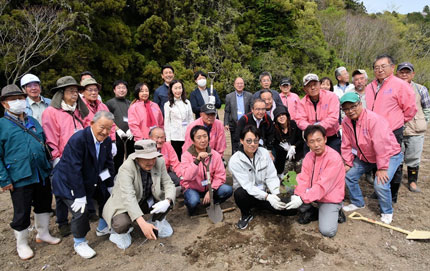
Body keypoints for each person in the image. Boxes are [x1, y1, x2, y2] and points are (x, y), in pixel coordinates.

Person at [0, 84, 60, 260]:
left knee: (44, 204)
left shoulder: (32, 121)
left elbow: (42, 142)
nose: (18, 102)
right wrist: (4, 179)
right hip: (19, 175)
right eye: (13, 100)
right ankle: (22, 243)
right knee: (22, 210)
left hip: (40, 171)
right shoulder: (2, 125)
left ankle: (43, 233)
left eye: (20, 98)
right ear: (4, 104)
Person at [51, 111, 115, 259]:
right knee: (81, 210)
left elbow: (107, 164)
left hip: (92, 177)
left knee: (106, 197)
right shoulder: (78, 139)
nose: (105, 132)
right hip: (68, 180)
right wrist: (80, 195)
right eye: (102, 127)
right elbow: (73, 170)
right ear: (92, 124)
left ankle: (103, 226)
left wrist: (109, 183)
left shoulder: (105, 140)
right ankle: (79, 242)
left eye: (109, 128)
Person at [340, 92, 403, 224]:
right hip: (367, 155)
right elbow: (345, 144)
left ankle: (387, 211)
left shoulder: (373, 120)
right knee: (349, 175)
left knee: (380, 183)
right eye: (346, 109)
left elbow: (382, 146)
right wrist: (348, 162)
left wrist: (382, 168)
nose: (350, 111)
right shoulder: (346, 122)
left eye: (353, 106)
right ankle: (358, 202)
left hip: (389, 154)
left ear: (360, 104)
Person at [103, 140, 176, 249]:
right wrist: (142, 224)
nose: (151, 162)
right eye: (146, 158)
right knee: (122, 224)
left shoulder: (159, 162)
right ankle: (119, 233)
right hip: (124, 204)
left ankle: (155, 221)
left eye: (153, 157)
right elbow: (129, 197)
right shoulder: (126, 168)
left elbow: (168, 183)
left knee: (166, 200)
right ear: (137, 158)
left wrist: (167, 201)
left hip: (145, 199)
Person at [42, 76, 90, 236]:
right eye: (71, 91)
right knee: (61, 190)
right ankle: (62, 222)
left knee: (78, 184)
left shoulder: (80, 110)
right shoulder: (51, 112)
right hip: (62, 157)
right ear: (61, 93)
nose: (74, 94)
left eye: (76, 91)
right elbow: (50, 136)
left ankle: (83, 212)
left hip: (81, 155)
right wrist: (56, 157)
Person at [365, 54, 417, 203]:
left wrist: (397, 122)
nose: (379, 70)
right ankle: (379, 190)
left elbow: (410, 109)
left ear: (392, 68)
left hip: (393, 130)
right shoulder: (371, 86)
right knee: (377, 161)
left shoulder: (400, 85)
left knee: (394, 163)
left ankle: (392, 194)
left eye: (383, 66)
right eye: (376, 67)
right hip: (374, 130)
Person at [285, 125, 345, 237]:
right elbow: (304, 178)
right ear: (307, 144)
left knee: (328, 231)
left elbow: (322, 186)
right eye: (312, 141)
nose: (316, 145)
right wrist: (298, 195)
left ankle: (337, 210)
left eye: (319, 140)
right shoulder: (309, 156)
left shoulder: (334, 158)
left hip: (328, 196)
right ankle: (309, 210)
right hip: (312, 190)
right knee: (288, 179)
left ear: (325, 139)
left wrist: (302, 198)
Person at [229, 125, 291, 230]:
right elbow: (248, 186)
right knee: (239, 193)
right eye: (248, 141)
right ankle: (246, 214)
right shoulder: (235, 161)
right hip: (248, 195)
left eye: (256, 141)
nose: (252, 144)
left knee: (290, 211)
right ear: (241, 141)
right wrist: (268, 197)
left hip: (265, 192)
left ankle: (262, 206)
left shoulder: (264, 153)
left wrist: (276, 195)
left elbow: (271, 176)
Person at [181, 125, 232, 215]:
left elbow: (220, 176)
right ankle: (194, 207)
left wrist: (211, 190)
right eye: (199, 137)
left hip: (210, 187)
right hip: (193, 188)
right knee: (193, 201)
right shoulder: (186, 156)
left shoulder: (214, 154)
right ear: (193, 140)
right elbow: (186, 177)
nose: (203, 140)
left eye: (205, 136)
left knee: (227, 190)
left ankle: (211, 204)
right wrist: (196, 161)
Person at [396, 62, 430, 193]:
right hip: (398, 128)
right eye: (402, 72)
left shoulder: (421, 89)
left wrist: (422, 122)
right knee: (397, 156)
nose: (404, 74)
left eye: (407, 72)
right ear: (397, 74)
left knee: (414, 157)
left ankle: (412, 181)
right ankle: (396, 181)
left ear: (413, 74)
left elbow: (427, 109)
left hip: (415, 129)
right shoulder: (393, 89)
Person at [296, 74, 341, 154]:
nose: (313, 88)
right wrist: (312, 128)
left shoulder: (332, 97)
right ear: (305, 89)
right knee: (309, 161)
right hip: (312, 137)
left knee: (334, 161)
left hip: (331, 136)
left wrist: (318, 126)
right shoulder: (302, 103)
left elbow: (333, 117)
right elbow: (300, 120)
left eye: (315, 84)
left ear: (319, 85)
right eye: (309, 86)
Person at [81, 77, 117, 157]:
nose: (93, 92)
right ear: (83, 92)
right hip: (87, 144)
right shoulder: (79, 107)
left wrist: (112, 141)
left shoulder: (102, 106)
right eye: (90, 90)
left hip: (104, 143)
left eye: (96, 90)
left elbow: (111, 124)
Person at [105, 80, 134, 173]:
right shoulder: (109, 103)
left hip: (130, 134)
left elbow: (134, 117)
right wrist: (117, 130)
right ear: (114, 90)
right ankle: (116, 178)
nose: (121, 90)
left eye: (124, 88)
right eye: (119, 88)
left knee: (131, 156)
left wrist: (132, 129)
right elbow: (108, 118)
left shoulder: (130, 103)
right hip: (117, 135)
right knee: (118, 157)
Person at [164, 79, 194, 159]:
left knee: (187, 157)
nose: (178, 91)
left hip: (186, 135)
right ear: (171, 89)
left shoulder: (187, 102)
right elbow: (167, 123)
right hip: (174, 136)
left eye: (180, 88)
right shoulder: (167, 105)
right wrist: (168, 139)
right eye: (175, 88)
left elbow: (191, 120)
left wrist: (192, 135)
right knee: (176, 158)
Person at [272, 105, 304, 175]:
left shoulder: (294, 124)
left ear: (287, 116)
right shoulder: (274, 130)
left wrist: (294, 146)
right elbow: (275, 145)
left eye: (283, 114)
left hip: (298, 154)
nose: (281, 117)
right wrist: (285, 149)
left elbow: (301, 140)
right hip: (283, 158)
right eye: (278, 116)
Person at [224, 77, 253, 153]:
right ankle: (234, 158)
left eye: (241, 83)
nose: (239, 85)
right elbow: (227, 111)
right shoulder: (229, 97)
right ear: (234, 85)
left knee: (246, 141)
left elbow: (251, 110)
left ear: (244, 85)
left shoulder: (249, 96)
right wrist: (226, 123)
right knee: (235, 142)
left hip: (246, 123)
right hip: (234, 123)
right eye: (238, 83)